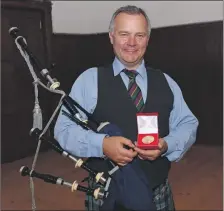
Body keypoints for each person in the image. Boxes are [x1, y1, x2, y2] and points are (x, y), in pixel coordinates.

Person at [54, 5, 199, 211]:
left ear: (147, 39)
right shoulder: (89, 80)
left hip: (156, 193)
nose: (132, 43)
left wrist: (167, 145)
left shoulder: (166, 81)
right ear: (111, 36)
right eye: (124, 34)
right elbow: (63, 130)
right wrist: (102, 145)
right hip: (105, 195)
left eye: (139, 35)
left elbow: (188, 123)